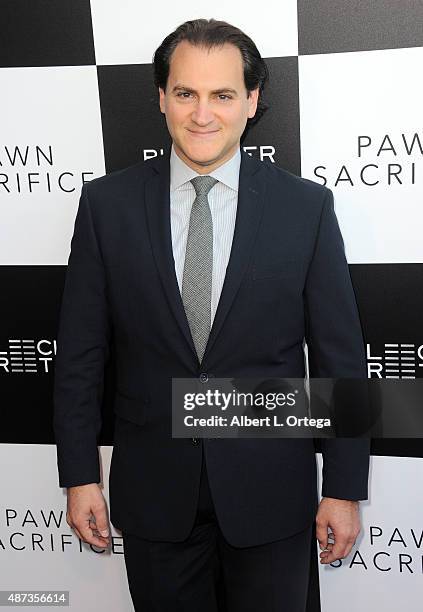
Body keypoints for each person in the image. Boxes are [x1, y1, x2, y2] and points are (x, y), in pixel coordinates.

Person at [53, 18, 370, 612]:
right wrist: (78, 474)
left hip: (271, 492)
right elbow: (79, 356)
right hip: (154, 495)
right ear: (161, 98)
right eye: (185, 93)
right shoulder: (105, 207)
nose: (203, 113)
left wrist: (346, 487)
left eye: (222, 94)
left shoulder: (306, 208)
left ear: (251, 101)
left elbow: (340, 360)